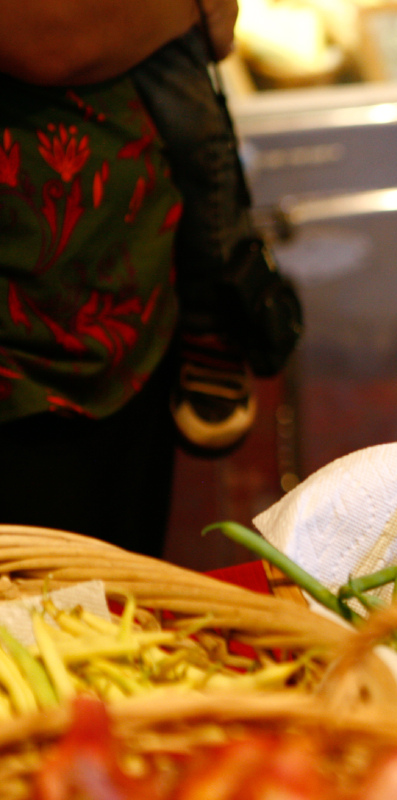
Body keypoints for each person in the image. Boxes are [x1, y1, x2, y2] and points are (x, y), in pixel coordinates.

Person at [0, 0, 244, 557]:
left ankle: (214, 312)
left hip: (128, 302)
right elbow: (48, 41)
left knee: (115, 581)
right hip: (28, 338)